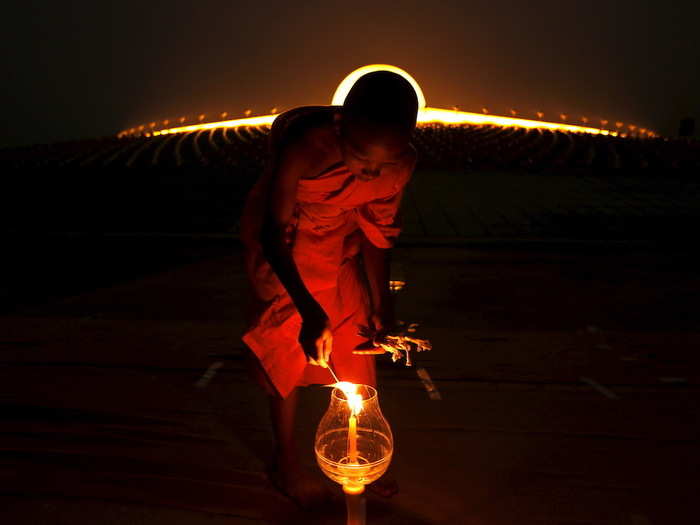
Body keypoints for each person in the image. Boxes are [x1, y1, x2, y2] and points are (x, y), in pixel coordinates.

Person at [239, 70, 418, 507]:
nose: (369, 172)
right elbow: (271, 230)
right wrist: (307, 306)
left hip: (342, 243)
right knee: (289, 346)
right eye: (360, 158)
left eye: (383, 165)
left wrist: (383, 304)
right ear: (340, 127)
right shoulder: (305, 148)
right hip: (289, 244)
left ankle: (359, 453)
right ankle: (286, 460)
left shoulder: (401, 163)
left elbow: (378, 234)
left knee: (358, 337)